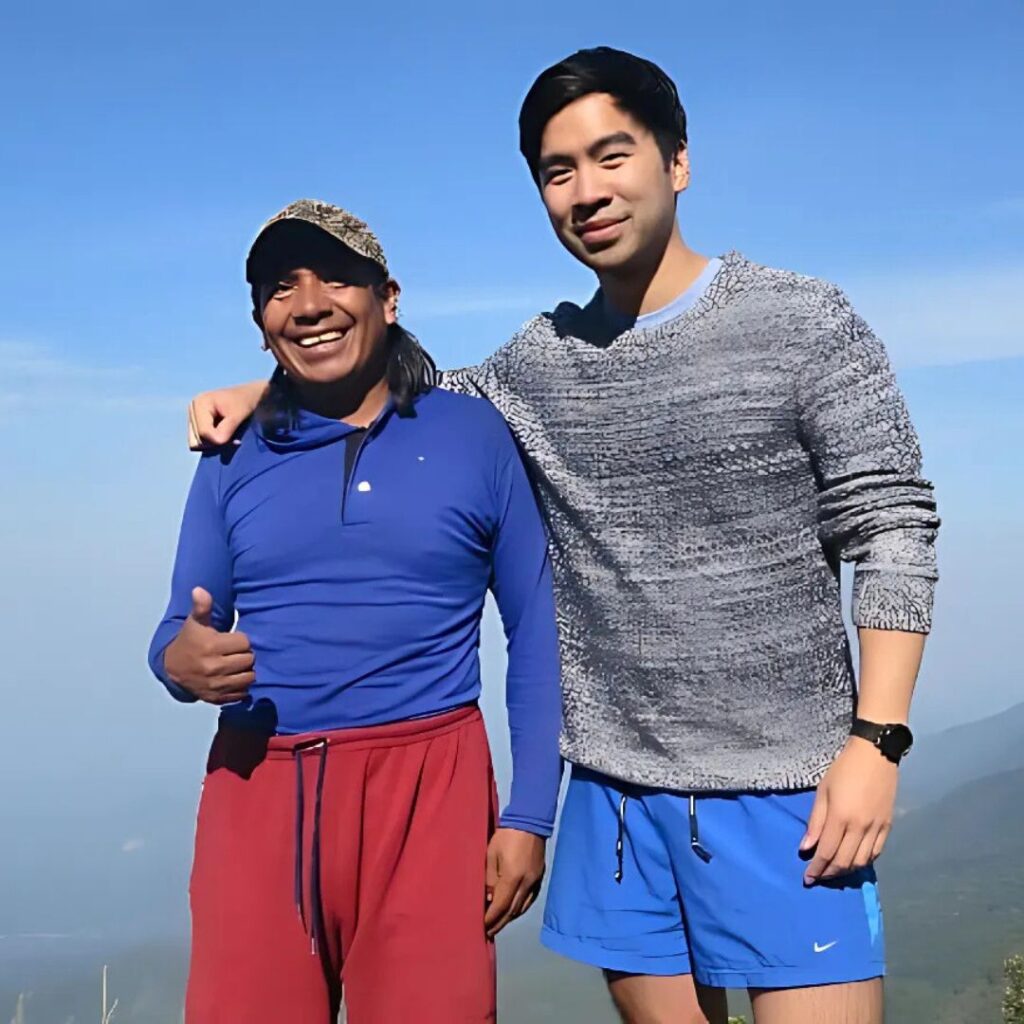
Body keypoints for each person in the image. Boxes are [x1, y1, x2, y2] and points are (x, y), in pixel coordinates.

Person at [187, 49, 939, 1024]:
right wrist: (275, 388)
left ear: (676, 161)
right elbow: (419, 396)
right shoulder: (540, 362)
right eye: (556, 171)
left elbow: (891, 527)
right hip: (615, 797)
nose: (586, 192)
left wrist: (875, 743)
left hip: (789, 788)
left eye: (611, 155)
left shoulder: (800, 321)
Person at [150, 199, 562, 1024]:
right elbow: (176, 632)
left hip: (430, 790)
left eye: (336, 278)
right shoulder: (232, 451)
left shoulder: (473, 435)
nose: (307, 304)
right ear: (261, 320)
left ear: (389, 297)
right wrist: (180, 663)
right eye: (279, 288)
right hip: (257, 787)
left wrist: (527, 815)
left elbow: (537, 626)